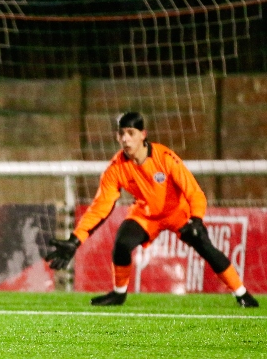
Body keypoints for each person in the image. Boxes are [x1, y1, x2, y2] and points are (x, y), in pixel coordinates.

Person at [45, 112, 259, 308]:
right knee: (122, 243)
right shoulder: (115, 168)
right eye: (121, 134)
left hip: (178, 213)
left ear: (143, 135)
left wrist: (196, 219)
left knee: (206, 248)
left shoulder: (165, 158)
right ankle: (119, 294)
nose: (125, 139)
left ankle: (242, 294)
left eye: (131, 133)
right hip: (146, 214)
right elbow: (100, 207)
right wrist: (75, 239)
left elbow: (194, 192)